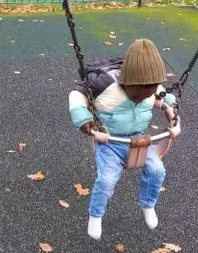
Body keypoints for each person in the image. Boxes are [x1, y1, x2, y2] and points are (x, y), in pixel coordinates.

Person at [68, 39, 177, 240]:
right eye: (136, 96)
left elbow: (164, 96)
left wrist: (172, 111)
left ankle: (148, 205)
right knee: (107, 179)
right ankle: (95, 215)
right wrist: (84, 119)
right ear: (126, 82)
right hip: (110, 141)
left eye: (148, 95)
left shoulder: (151, 86)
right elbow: (76, 94)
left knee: (157, 170)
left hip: (141, 139)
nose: (141, 99)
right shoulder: (103, 84)